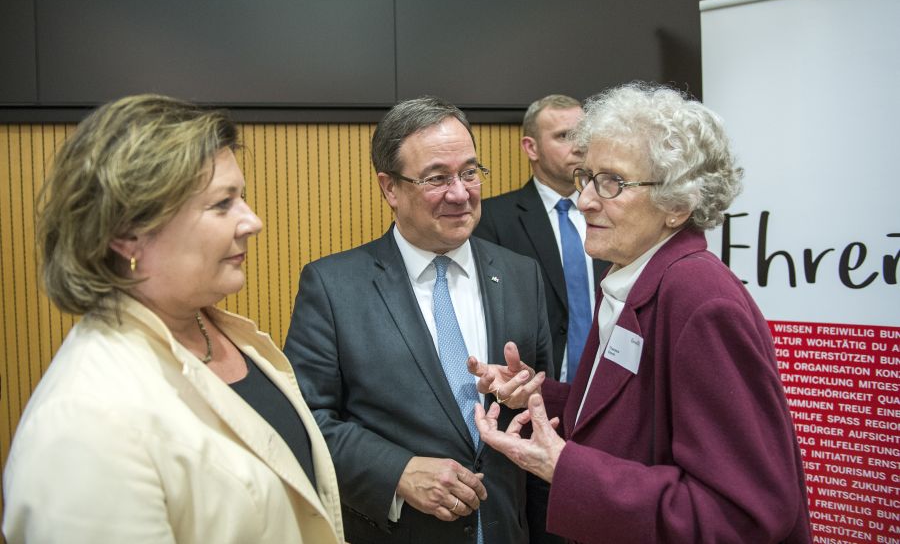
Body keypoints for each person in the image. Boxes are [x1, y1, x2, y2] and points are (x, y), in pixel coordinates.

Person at [469, 82, 812, 543]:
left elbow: (742, 513)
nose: (586, 199)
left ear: (677, 205)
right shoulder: (634, 277)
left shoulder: (699, 301)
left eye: (613, 183)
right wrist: (536, 395)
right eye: (586, 177)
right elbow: (631, 416)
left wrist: (566, 468)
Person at [2, 95, 345, 544]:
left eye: (241, 197)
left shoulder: (220, 331)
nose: (252, 221)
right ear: (127, 234)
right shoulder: (85, 423)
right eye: (223, 204)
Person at [284, 96, 554, 544]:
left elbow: (543, 409)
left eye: (469, 172)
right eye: (436, 178)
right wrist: (397, 472)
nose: (460, 192)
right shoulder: (334, 287)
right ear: (390, 188)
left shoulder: (521, 274)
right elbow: (305, 419)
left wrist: (525, 393)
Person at [474, 94, 609, 544]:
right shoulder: (492, 218)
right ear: (530, 147)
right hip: (533, 410)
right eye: (564, 136)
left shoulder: (613, 215)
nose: (578, 145)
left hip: (606, 406)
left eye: (583, 135)